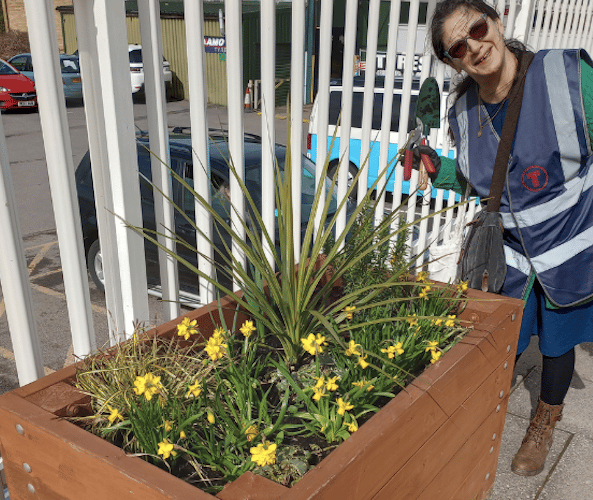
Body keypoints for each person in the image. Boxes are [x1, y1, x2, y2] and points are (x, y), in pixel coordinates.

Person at [422, 0, 593, 477]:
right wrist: (438, 172)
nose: (475, 46)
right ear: (451, 61)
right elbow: (481, 180)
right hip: (511, 257)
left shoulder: (568, 75)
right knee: (500, 342)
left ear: (496, 21)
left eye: (478, 28)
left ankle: (544, 421)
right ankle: (478, 418)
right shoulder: (463, 111)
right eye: (458, 47)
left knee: (558, 344)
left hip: (569, 249)